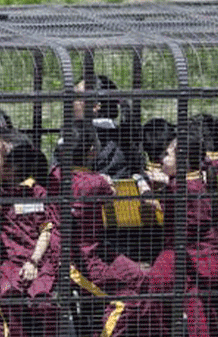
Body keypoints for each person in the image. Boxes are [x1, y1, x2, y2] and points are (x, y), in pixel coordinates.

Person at [61, 120, 155, 337]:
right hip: (81, 262)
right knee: (126, 299)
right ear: (92, 151)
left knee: (144, 281)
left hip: (101, 252)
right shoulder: (95, 183)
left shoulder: (57, 175)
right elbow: (109, 190)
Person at [145, 121, 218, 337]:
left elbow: (161, 208)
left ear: (184, 160)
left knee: (156, 286)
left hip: (188, 259)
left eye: (168, 155)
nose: (162, 159)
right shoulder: (201, 179)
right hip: (205, 260)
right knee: (199, 312)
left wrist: (144, 189)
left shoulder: (179, 187)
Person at [0, 131, 59, 337]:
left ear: (13, 168)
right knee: (8, 297)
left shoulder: (35, 193)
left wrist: (34, 261)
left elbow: (46, 230)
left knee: (42, 301)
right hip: (8, 263)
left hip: (38, 262)